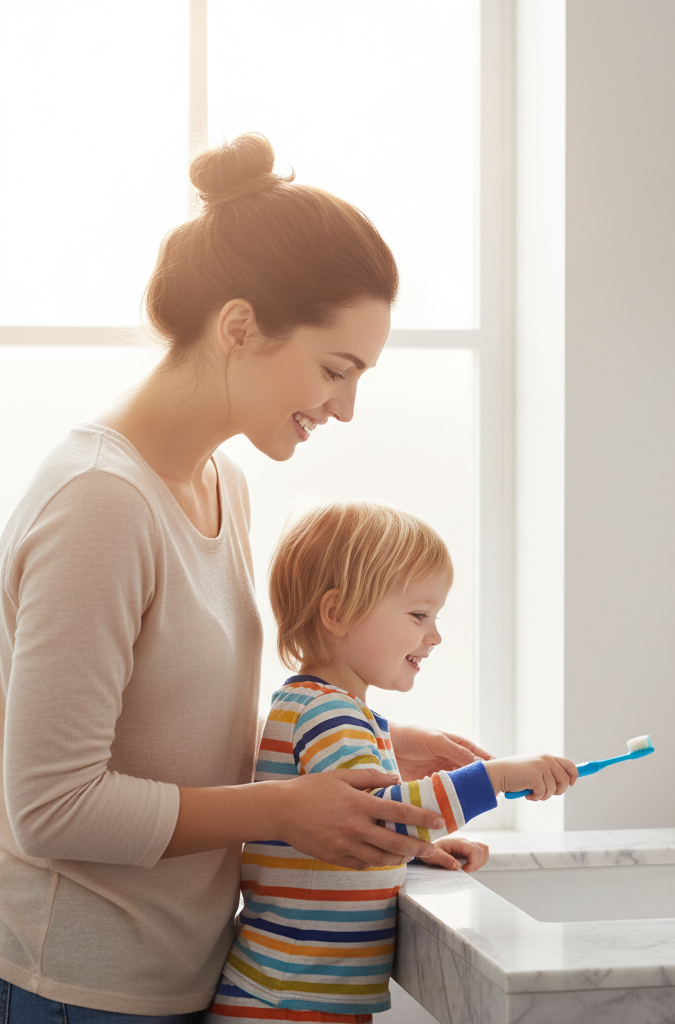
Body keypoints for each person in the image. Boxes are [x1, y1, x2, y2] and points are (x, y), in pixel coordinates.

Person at [0, 134, 492, 1021]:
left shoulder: (221, 482)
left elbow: (163, 735)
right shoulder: (100, 505)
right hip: (77, 989)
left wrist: (348, 759)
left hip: (185, 972)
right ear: (238, 327)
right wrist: (288, 808)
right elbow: (52, 808)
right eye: (335, 369)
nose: (344, 406)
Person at [206, 501, 576, 1022]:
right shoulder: (327, 713)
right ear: (336, 614)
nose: (435, 635)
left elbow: (354, 828)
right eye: (418, 615)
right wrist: (493, 779)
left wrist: (410, 844)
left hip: (296, 991)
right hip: (287, 999)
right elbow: (377, 813)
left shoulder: (325, 707)